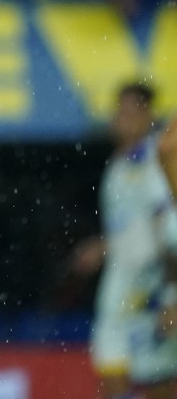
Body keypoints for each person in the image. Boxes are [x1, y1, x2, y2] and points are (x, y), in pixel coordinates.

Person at [90, 82, 177, 399]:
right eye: (120, 112)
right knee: (114, 381)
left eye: (132, 113)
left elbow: (171, 232)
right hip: (121, 293)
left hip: (149, 295)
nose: (123, 120)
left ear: (149, 116)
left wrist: (172, 296)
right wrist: (105, 246)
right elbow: (134, 228)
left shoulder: (157, 161)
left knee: (157, 385)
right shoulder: (119, 165)